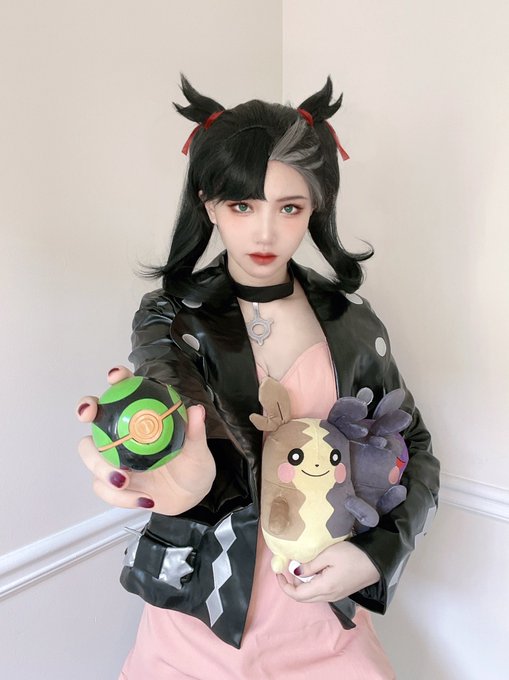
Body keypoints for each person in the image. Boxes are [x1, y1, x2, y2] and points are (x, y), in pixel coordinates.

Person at [77, 76, 440, 679]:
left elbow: (414, 445)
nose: (265, 232)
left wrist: (376, 555)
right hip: (204, 616)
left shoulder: (352, 321)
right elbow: (174, 411)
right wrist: (179, 476)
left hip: (326, 610)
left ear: (316, 207)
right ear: (207, 204)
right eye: (242, 205)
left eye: (289, 207)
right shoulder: (171, 318)